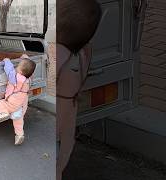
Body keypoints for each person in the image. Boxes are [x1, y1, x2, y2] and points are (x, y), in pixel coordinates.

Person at [57, 0, 102, 179]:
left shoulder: (57, 53)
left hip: (56, 111)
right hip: (70, 108)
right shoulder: (84, 52)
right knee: (63, 151)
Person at [0, 54, 36, 145]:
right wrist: (25, 57)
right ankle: (19, 135)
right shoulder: (28, 79)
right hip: (23, 102)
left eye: (17, 67)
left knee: (0, 103)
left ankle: (3, 113)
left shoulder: (15, 77)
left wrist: (6, 60)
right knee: (18, 119)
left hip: (13, 100)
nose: (16, 68)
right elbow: (30, 68)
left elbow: (9, 69)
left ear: (20, 71)